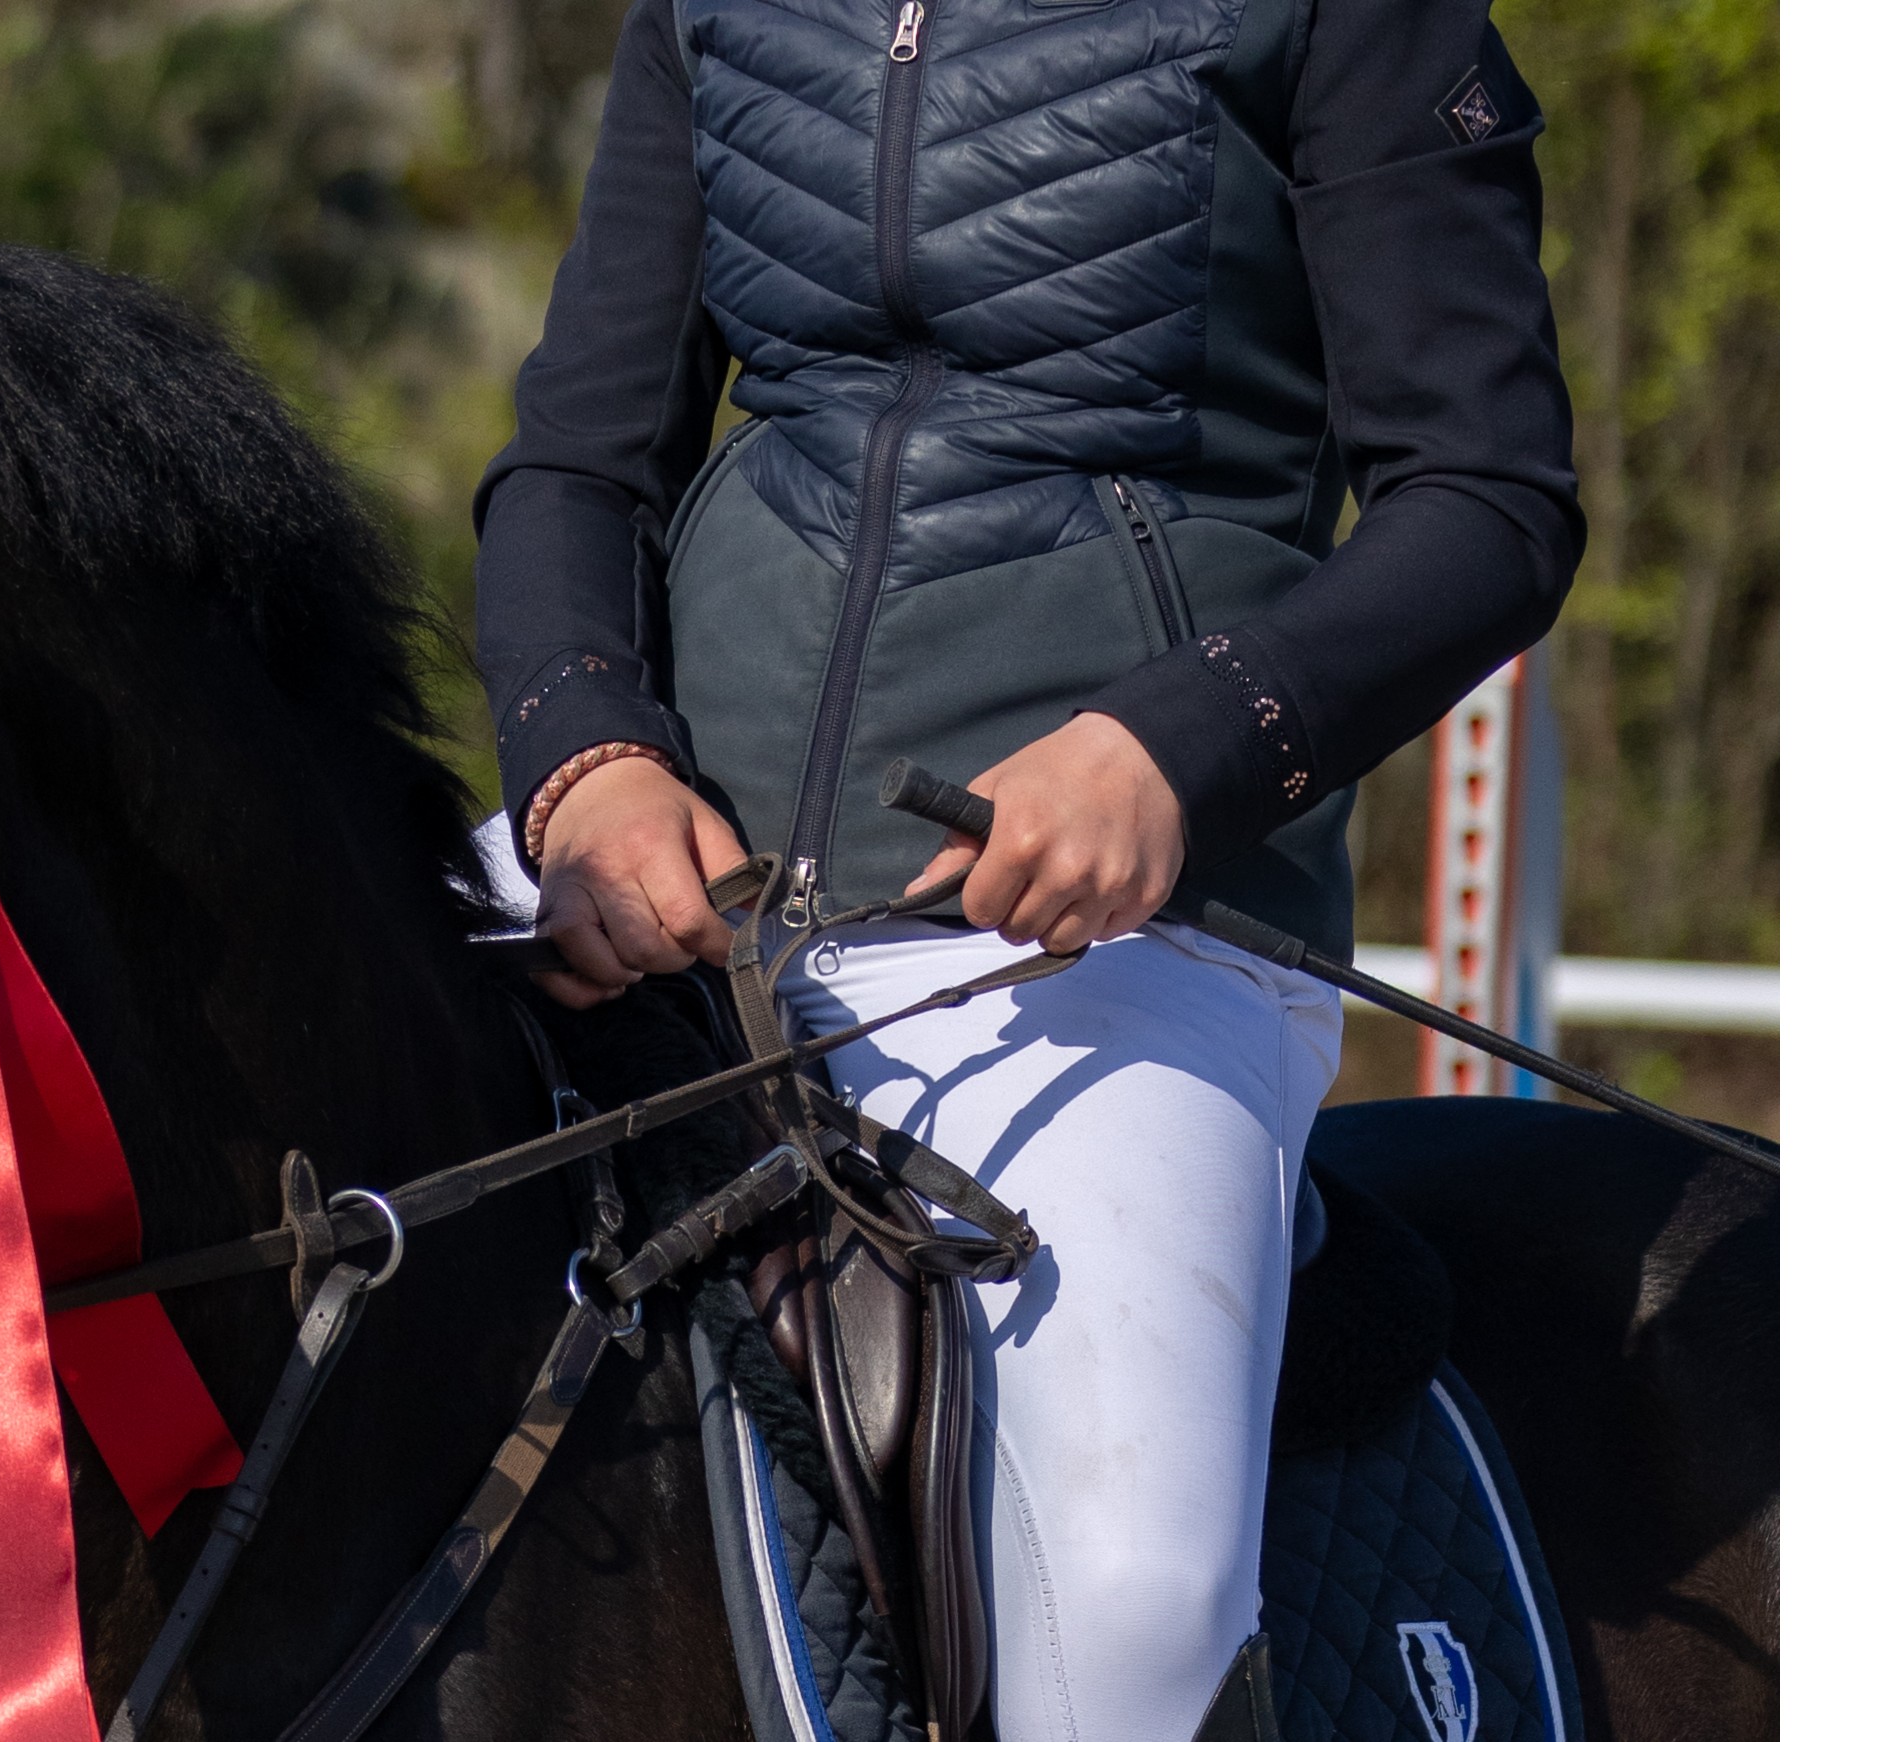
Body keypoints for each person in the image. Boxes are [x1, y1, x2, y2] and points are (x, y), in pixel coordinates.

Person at [473, 0, 1579, 1736]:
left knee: (1129, 1593)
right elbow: (578, 459)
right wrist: (586, 756)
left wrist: (1178, 747)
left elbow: (1487, 498)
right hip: (673, 877)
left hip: (1120, 930)